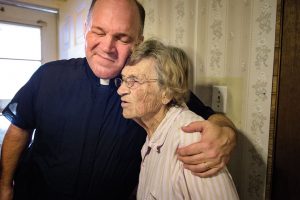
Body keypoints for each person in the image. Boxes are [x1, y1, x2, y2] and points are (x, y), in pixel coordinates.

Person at [0, 0, 236, 199]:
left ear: (138, 42)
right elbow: (19, 130)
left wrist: (226, 133)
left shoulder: (152, 90)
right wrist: (4, 187)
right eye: (99, 32)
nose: (107, 47)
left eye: (122, 38)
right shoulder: (48, 75)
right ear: (86, 29)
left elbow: (211, 119)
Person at [116, 39, 239, 199]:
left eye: (133, 81)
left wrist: (228, 132)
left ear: (166, 93)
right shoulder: (152, 137)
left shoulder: (192, 141)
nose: (120, 90)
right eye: (124, 80)